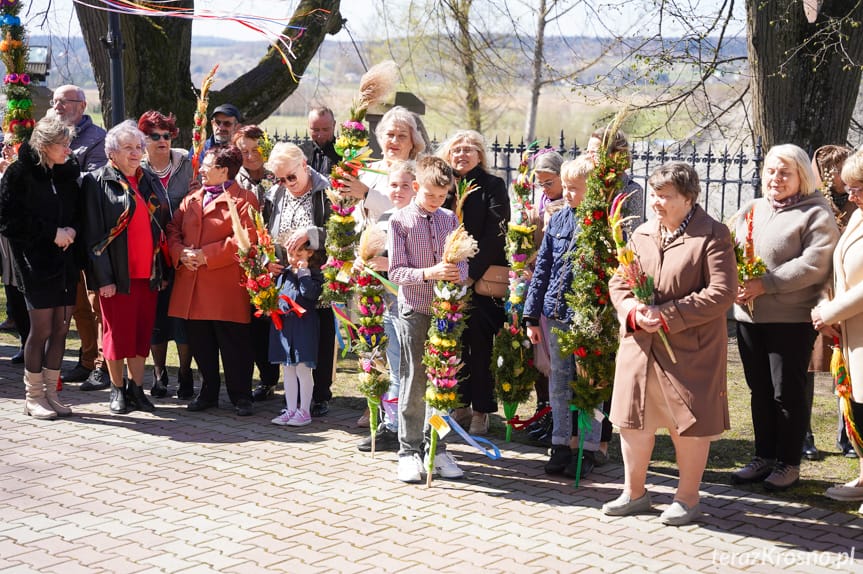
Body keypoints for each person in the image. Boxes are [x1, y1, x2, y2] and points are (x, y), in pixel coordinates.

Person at [602, 162, 737, 526]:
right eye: (654, 195)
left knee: (686, 422)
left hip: (689, 349)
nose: (656, 203)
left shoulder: (713, 234)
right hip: (641, 345)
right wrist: (632, 310)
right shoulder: (643, 232)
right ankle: (634, 493)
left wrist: (667, 314)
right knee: (633, 420)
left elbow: (722, 292)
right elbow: (620, 282)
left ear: (688, 198)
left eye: (665, 196)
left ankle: (687, 498)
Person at [731, 144, 839, 491]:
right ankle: (763, 456)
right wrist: (732, 282)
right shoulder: (752, 208)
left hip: (790, 320)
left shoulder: (816, 213)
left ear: (801, 176)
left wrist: (766, 284)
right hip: (748, 317)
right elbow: (729, 249)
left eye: (784, 172)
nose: (775, 178)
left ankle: (788, 463)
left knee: (786, 393)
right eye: (770, 171)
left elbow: (814, 263)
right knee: (759, 391)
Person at [389, 155, 468, 483]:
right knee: (415, 379)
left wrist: (457, 272)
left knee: (443, 381)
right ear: (416, 186)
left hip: (446, 312)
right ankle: (408, 450)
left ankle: (437, 446)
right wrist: (429, 273)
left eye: (442, 195)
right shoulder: (400, 221)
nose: (436, 201)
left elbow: (463, 261)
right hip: (415, 309)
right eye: (430, 194)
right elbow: (396, 271)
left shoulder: (450, 219)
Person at [82, 120, 171, 415]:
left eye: (138, 147)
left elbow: (161, 224)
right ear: (112, 153)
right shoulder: (97, 182)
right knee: (116, 336)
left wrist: (161, 270)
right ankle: (117, 389)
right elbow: (93, 236)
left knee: (141, 335)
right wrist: (103, 279)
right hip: (117, 277)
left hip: (148, 273)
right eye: (128, 148)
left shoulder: (147, 179)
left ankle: (136, 388)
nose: (136, 153)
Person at [0, 116, 81, 419]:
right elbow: (8, 220)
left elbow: (77, 210)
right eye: (63, 145)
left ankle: (51, 394)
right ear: (45, 146)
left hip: (66, 262)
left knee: (61, 328)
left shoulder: (67, 172)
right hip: (35, 263)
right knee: (42, 329)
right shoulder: (19, 174)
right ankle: (33, 396)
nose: (68, 150)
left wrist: (71, 230)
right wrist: (51, 233)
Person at [524, 156, 600, 479]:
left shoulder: (599, 224)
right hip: (555, 314)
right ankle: (560, 444)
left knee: (588, 382)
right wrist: (531, 316)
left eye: (575, 188)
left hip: (588, 318)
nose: (567, 194)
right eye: (565, 187)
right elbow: (542, 269)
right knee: (559, 380)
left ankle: (588, 446)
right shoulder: (558, 221)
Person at [168, 146, 258, 416]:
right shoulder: (192, 197)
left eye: (207, 166)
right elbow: (172, 229)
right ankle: (208, 392)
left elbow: (245, 239)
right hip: (192, 286)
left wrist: (205, 255)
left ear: (224, 170)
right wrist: (180, 252)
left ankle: (241, 395)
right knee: (201, 344)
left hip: (225, 287)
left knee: (234, 345)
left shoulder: (244, 199)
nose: (201, 171)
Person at [437, 129, 510, 435]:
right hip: (447, 275)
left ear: (480, 155)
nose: (462, 155)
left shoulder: (492, 185)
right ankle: (460, 404)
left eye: (469, 149)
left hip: (480, 280)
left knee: (479, 346)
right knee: (452, 342)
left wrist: (471, 273)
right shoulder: (444, 185)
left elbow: (496, 233)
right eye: (456, 150)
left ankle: (481, 410)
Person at [263, 142, 334, 417]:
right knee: (289, 337)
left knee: (320, 335)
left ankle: (319, 396)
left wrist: (311, 234)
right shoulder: (275, 194)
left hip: (317, 275)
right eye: (280, 179)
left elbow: (341, 234)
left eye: (291, 177)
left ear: (304, 165)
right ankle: (293, 402)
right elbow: (265, 233)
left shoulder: (326, 191)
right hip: (286, 278)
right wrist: (268, 260)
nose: (286, 184)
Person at [813, 150, 863, 506]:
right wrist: (825, 306)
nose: (851, 195)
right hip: (852, 331)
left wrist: (830, 311)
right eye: (848, 187)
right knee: (858, 407)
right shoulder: (859, 215)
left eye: (857, 187)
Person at [356, 160, 417, 452]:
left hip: (413, 304)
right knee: (393, 366)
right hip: (389, 304)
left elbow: (422, 264)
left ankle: (408, 428)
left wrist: (388, 264)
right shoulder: (385, 217)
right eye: (393, 185)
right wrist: (363, 262)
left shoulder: (419, 219)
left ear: (416, 188)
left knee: (409, 368)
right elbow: (372, 255)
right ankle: (392, 426)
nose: (398, 190)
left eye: (405, 185)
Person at [52, 85, 109, 389]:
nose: (58, 106)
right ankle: (87, 360)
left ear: (82, 105)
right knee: (77, 304)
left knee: (96, 302)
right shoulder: (51, 133)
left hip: (90, 233)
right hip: (63, 235)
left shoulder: (97, 139)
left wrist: (58, 174)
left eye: (65, 101)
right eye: (55, 101)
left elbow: (94, 182)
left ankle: (103, 364)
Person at [139, 110, 196, 399]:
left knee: (183, 318)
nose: (162, 140)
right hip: (152, 255)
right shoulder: (138, 170)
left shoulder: (187, 165)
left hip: (184, 251)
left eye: (167, 135)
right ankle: (159, 372)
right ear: (143, 139)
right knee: (157, 318)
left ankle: (185, 373)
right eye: (154, 136)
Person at [807, 144, 857, 460]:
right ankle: (803, 435)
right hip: (815, 297)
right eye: (836, 169)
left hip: (847, 298)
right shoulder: (813, 206)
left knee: (847, 368)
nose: (842, 176)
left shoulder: (857, 205)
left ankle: (848, 435)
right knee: (806, 369)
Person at [233, 125, 281, 401]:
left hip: (274, 258)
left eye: (256, 150)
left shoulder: (277, 177)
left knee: (272, 322)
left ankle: (276, 378)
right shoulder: (233, 179)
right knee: (250, 324)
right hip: (244, 259)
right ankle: (260, 378)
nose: (250, 156)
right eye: (244, 151)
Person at [522, 150, 565, 444]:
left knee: (556, 359)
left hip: (557, 292)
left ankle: (557, 419)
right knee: (539, 357)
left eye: (550, 183)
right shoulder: (539, 203)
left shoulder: (569, 205)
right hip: (537, 288)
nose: (545, 189)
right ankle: (544, 411)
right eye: (540, 183)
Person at [339, 105, 429, 229]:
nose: (394, 141)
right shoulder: (367, 170)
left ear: (412, 143)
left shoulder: (419, 175)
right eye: (390, 134)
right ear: (381, 138)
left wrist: (367, 194)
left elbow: (406, 210)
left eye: (402, 136)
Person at [269, 242, 324, 427]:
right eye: (290, 254)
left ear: (310, 253)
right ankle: (291, 409)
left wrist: (304, 274)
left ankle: (305, 411)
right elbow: (277, 296)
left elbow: (310, 294)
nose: (293, 259)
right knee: (288, 368)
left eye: (299, 254)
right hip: (285, 326)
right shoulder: (284, 274)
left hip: (304, 326)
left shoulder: (314, 274)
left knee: (302, 368)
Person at [0, 134, 29, 364]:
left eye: (12, 146)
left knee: (23, 290)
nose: (7, 149)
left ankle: (32, 343)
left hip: (23, 239)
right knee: (12, 289)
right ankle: (24, 340)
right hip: (5, 240)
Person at [585, 128, 644, 228]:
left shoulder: (632, 190)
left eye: (594, 152)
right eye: (587, 152)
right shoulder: (587, 183)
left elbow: (633, 231)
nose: (588, 157)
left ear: (614, 155)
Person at [300, 106, 340, 176]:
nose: (320, 135)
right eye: (316, 130)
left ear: (334, 125)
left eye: (325, 129)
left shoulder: (346, 153)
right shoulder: (300, 152)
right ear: (309, 126)